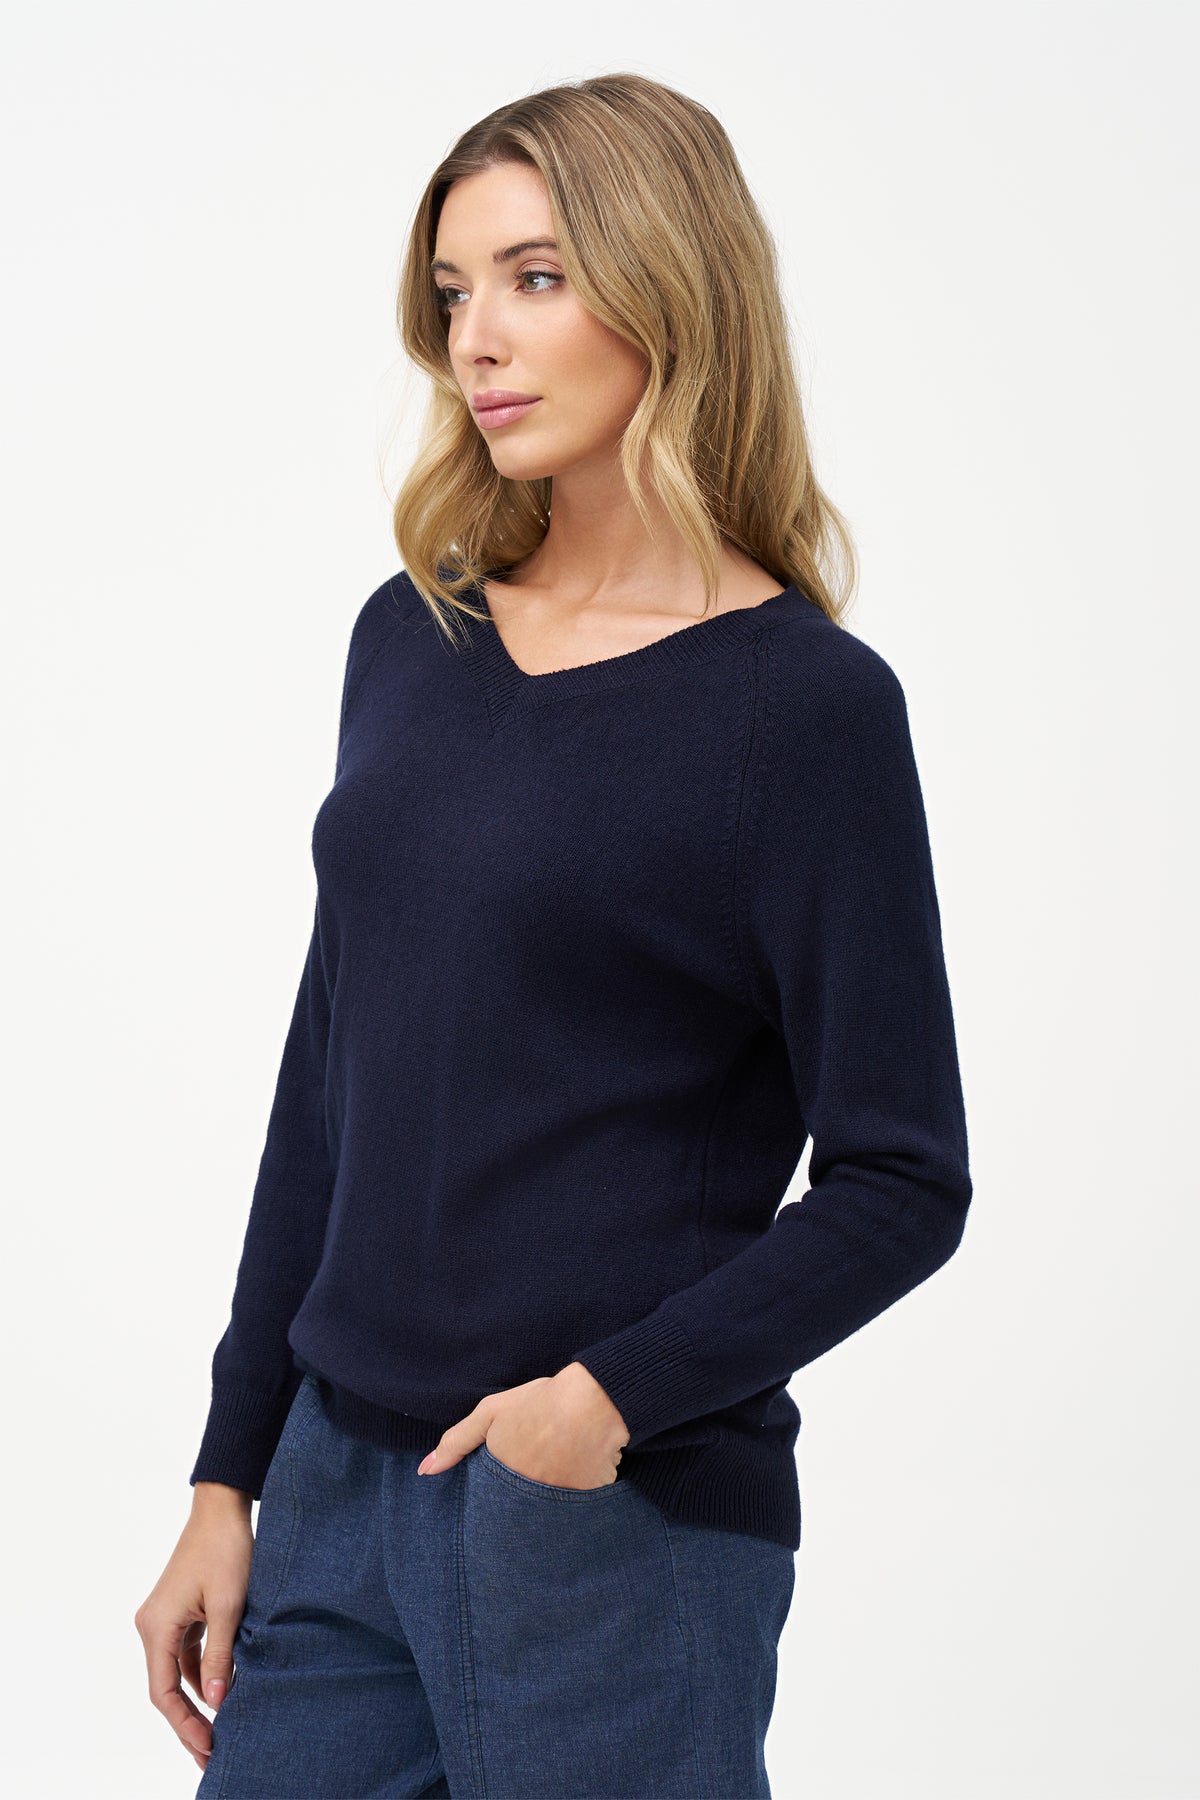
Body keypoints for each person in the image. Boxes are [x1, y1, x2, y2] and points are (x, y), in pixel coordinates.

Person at [134, 70, 973, 1800]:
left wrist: (599, 1404)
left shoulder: (804, 711)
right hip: (335, 1493)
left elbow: (904, 1178)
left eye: (535, 278)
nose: (478, 341)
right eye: (454, 292)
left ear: (669, 289)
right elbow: (329, 1089)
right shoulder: (411, 638)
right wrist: (231, 1474)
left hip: (608, 1523)